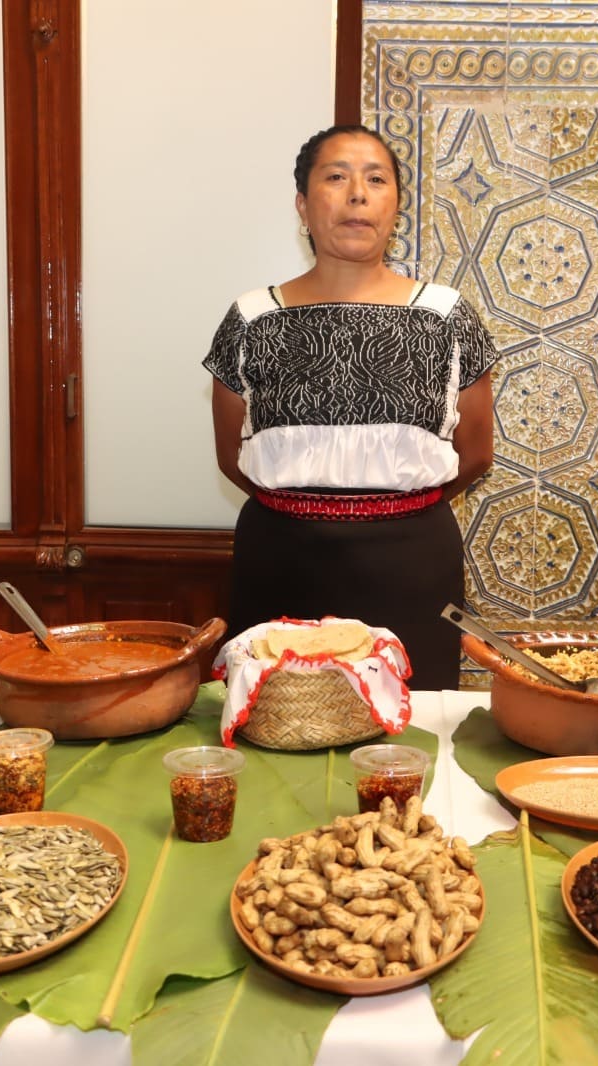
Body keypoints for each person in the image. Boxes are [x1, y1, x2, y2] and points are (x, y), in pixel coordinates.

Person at [203, 124, 499, 690]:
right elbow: (230, 457)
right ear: (303, 205)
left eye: (375, 179)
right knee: (276, 726)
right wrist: (307, 512)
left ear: (395, 205)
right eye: (336, 177)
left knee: (408, 742)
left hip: (413, 563)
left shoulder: (445, 315)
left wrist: (396, 511)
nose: (356, 194)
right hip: (279, 560)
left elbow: (477, 455)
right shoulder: (249, 318)